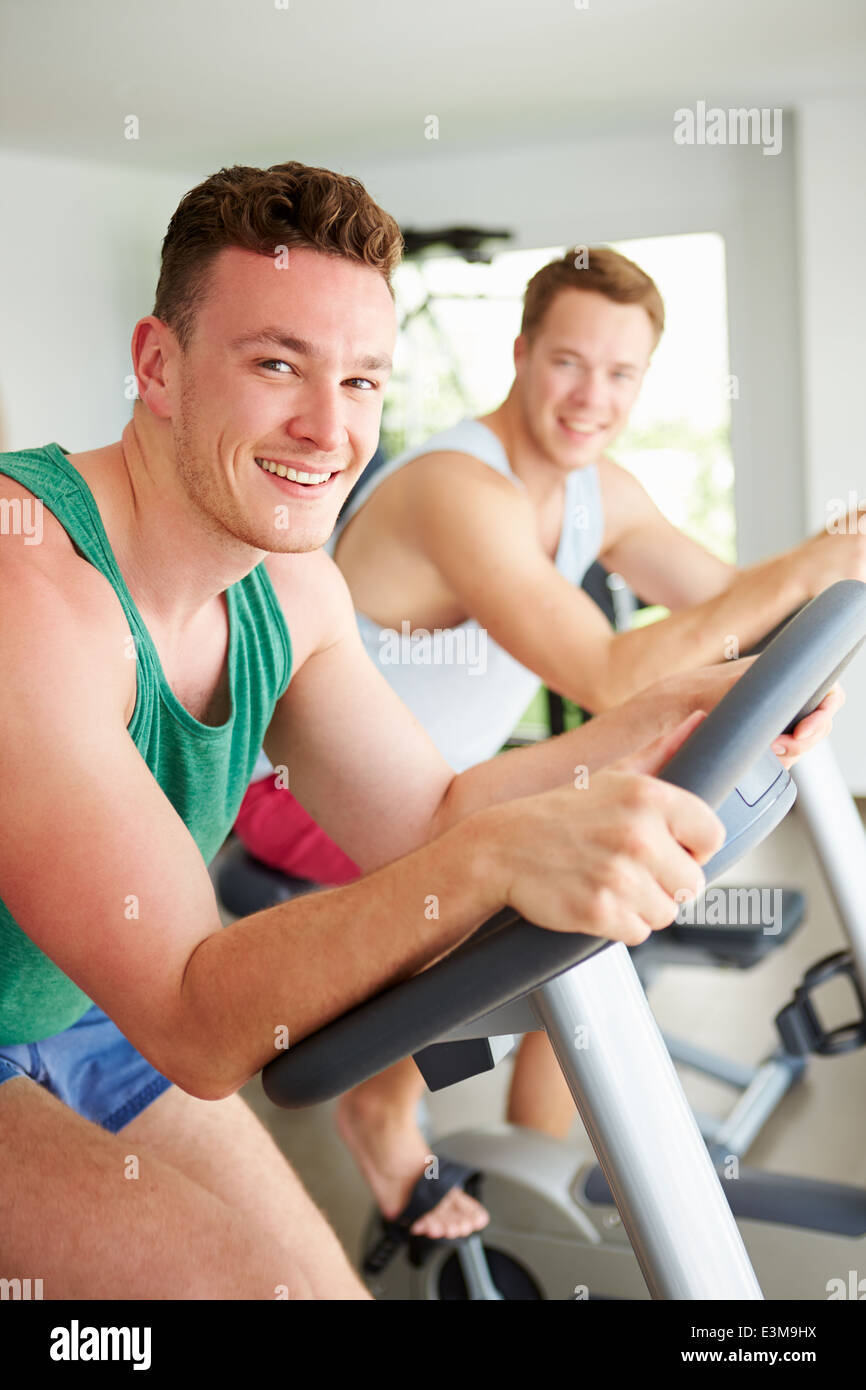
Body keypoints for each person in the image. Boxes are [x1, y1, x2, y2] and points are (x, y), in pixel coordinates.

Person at [3, 160, 831, 1301]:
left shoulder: (289, 589)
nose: (326, 426)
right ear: (158, 364)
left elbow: (428, 813)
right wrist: (487, 858)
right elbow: (199, 1017)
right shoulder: (29, 585)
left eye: (360, 381)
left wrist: (658, 716)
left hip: (77, 1005)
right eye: (276, 364)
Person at [227, 241, 855, 1256]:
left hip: (450, 784)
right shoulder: (454, 487)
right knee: (533, 880)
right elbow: (603, 671)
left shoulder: (598, 488)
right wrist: (810, 562)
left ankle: (534, 1169)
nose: (589, 396)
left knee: (596, 896)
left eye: (620, 373)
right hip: (311, 792)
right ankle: (379, 1113)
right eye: (568, 361)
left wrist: (807, 609)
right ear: (520, 353)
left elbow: (729, 607)